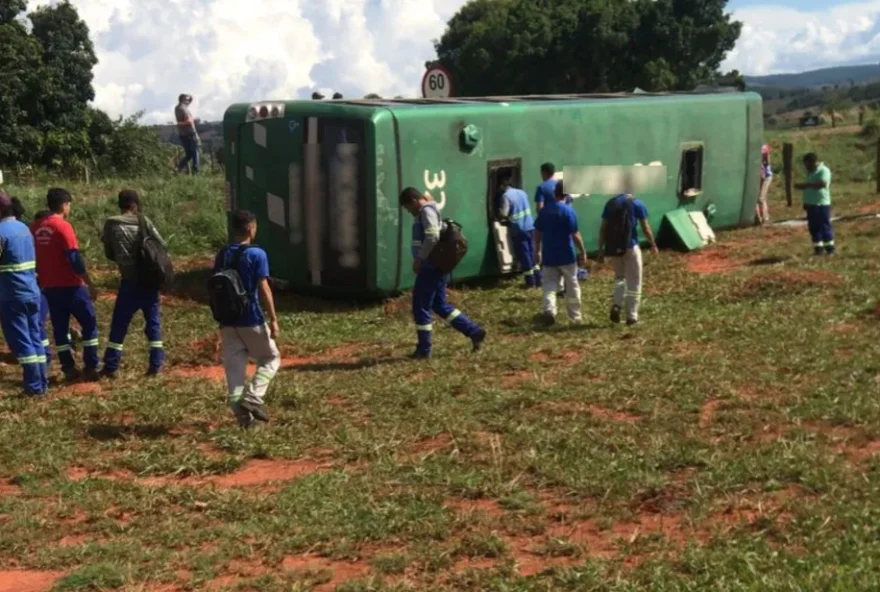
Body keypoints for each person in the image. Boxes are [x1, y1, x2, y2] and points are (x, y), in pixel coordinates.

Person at [399, 187, 486, 359]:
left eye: (408, 207)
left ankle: (424, 350)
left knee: (421, 306)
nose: (409, 212)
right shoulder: (429, 209)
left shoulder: (426, 212)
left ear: (414, 201)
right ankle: (474, 331)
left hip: (430, 267)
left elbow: (432, 236)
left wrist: (420, 259)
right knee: (439, 305)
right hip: (435, 266)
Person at [213, 210, 281, 429]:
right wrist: (273, 319)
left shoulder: (222, 254)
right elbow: (264, 288)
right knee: (271, 358)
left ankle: (243, 419)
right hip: (251, 318)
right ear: (251, 228)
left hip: (227, 320)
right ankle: (254, 397)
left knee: (234, 371)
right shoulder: (257, 254)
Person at [31, 188, 100, 381]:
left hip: (49, 287)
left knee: (60, 329)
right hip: (71, 286)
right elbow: (73, 257)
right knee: (89, 324)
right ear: (64, 205)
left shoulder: (35, 227)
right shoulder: (63, 226)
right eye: (69, 204)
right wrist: (89, 282)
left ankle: (67, 367)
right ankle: (91, 365)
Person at [100, 190, 166, 379]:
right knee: (153, 324)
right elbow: (160, 245)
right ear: (135, 204)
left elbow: (109, 253)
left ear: (120, 204)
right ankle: (156, 364)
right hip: (149, 282)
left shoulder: (111, 224)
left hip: (129, 282)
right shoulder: (144, 221)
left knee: (119, 325)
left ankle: (111, 366)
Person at [0, 190, 48, 396]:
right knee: (35, 337)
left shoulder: (1, 232)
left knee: (21, 341)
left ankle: (34, 387)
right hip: (32, 291)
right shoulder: (24, 228)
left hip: (12, 294)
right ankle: (42, 383)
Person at [598, 182, 658, 326]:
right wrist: (653, 244)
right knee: (635, 282)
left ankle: (617, 305)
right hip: (631, 247)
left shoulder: (610, 204)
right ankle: (632, 317)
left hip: (613, 248)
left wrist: (601, 249)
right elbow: (645, 227)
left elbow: (603, 229)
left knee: (620, 278)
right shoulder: (637, 203)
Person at [534, 181, 587, 325]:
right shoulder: (568, 211)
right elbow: (575, 234)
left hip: (549, 255)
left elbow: (537, 232)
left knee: (549, 286)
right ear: (566, 194)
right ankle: (575, 316)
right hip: (566, 255)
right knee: (572, 285)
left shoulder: (544, 211)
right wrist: (582, 251)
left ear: (554, 193)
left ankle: (549, 311)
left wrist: (537, 250)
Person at [497, 175, 541, 288]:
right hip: (530, 226)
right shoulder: (522, 192)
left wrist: (500, 215)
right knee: (532, 251)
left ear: (502, 186)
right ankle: (539, 278)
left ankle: (530, 281)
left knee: (524, 254)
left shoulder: (506, 196)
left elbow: (503, 214)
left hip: (518, 229)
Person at [795, 153, 834, 255]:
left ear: (813, 162)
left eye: (807, 164)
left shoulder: (823, 170)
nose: (806, 166)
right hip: (811, 204)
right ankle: (818, 248)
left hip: (821, 204)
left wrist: (806, 185)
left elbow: (822, 183)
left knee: (824, 225)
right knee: (814, 227)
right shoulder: (810, 172)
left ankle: (830, 248)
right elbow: (810, 187)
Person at [174, 93, 200, 175]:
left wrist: (190, 97)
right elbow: (188, 121)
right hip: (190, 133)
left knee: (188, 154)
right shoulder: (184, 109)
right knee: (195, 152)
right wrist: (191, 120)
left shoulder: (177, 108)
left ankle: (178, 169)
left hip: (182, 134)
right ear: (183, 100)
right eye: (186, 99)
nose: (188, 101)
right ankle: (196, 172)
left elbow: (189, 101)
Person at [756, 144, 772, 224]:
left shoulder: (763, 147)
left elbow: (763, 175)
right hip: (758, 177)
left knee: (761, 198)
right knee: (757, 198)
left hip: (766, 177)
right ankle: (759, 219)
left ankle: (765, 219)